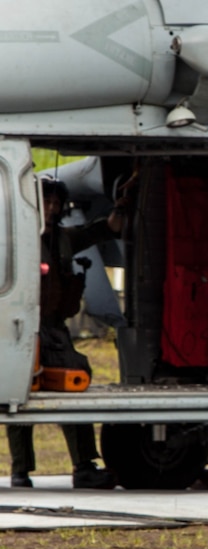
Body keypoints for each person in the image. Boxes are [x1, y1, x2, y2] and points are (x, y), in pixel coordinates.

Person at [10, 177, 122, 489]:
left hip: (54, 329)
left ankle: (84, 464)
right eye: (46, 202)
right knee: (20, 395)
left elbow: (103, 230)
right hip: (23, 328)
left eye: (56, 203)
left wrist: (123, 205)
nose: (52, 208)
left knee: (74, 386)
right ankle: (21, 470)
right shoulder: (15, 237)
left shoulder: (62, 239)